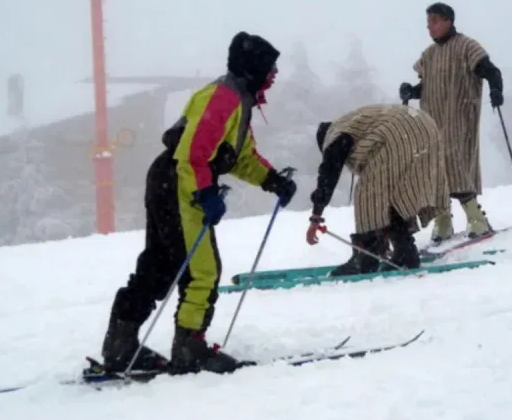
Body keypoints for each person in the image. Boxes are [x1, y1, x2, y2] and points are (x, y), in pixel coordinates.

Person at [100, 31, 297, 375]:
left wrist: (272, 180)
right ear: (254, 67)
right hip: (180, 180)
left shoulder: (239, 100)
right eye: (270, 66)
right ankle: (190, 347)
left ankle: (120, 344)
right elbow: (193, 153)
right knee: (201, 268)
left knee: (161, 264)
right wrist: (205, 192)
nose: (275, 73)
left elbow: (238, 157)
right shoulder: (224, 97)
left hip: (173, 178)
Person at [399, 2, 505, 246]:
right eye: (428, 22)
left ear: (448, 20)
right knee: (435, 169)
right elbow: (426, 86)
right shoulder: (429, 55)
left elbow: (490, 70)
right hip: (432, 119)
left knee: (455, 164)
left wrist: (496, 90)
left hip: (459, 116)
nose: (430, 27)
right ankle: (443, 220)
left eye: (434, 21)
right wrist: (411, 90)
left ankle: (477, 219)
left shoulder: (467, 46)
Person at [305, 104, 450, 276]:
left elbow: (328, 173)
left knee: (369, 193)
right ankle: (405, 252)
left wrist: (316, 216)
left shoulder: (334, 136)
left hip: (398, 133)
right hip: (425, 126)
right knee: (396, 193)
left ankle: (366, 257)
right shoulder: (352, 122)